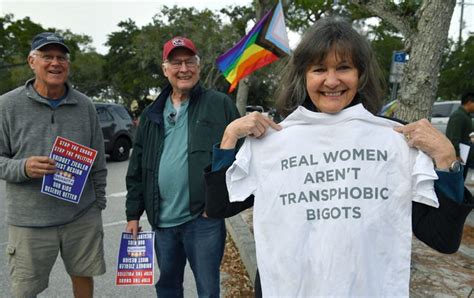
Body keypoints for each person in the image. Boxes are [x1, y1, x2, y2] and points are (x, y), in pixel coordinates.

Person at [204, 17, 473, 296]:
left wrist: (446, 160)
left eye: (343, 68)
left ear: (360, 75)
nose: (331, 81)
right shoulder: (274, 140)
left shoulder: (393, 140)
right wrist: (229, 139)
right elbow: (218, 207)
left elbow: (443, 239)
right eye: (319, 69)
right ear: (304, 76)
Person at [125, 36, 240, 297]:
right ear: (165, 69)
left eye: (190, 61)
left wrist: (220, 204)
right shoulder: (151, 113)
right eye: (176, 63)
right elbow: (137, 169)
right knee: (167, 287)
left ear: (198, 66)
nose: (184, 69)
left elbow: (242, 157)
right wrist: (133, 215)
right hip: (162, 222)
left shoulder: (219, 104)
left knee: (208, 290)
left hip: (203, 220)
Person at [0, 32, 107, 297]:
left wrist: (99, 204)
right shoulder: (7, 105)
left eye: (61, 57)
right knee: (24, 290)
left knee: (83, 278)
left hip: (81, 217)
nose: (55, 63)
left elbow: (98, 160)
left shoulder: (85, 106)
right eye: (47, 56)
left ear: (68, 65)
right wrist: (23, 168)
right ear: (31, 61)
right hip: (29, 222)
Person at [446, 92, 474, 177]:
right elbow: (454, 137)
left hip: (465, 155)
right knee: (457, 179)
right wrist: (457, 155)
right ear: (469, 102)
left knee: (462, 178)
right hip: (459, 156)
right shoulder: (458, 116)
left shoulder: (467, 116)